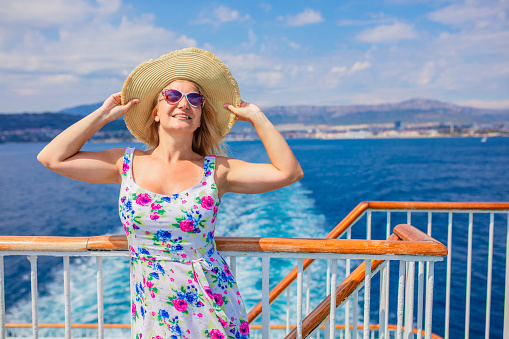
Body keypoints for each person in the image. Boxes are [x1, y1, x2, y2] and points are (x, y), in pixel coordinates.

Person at [37, 48, 303, 339]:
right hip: (154, 314)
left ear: (201, 118)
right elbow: (52, 158)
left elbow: (288, 172)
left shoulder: (217, 171)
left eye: (195, 99)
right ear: (155, 113)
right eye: (172, 96)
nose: (184, 104)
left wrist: (256, 116)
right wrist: (102, 115)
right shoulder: (125, 164)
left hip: (214, 311)